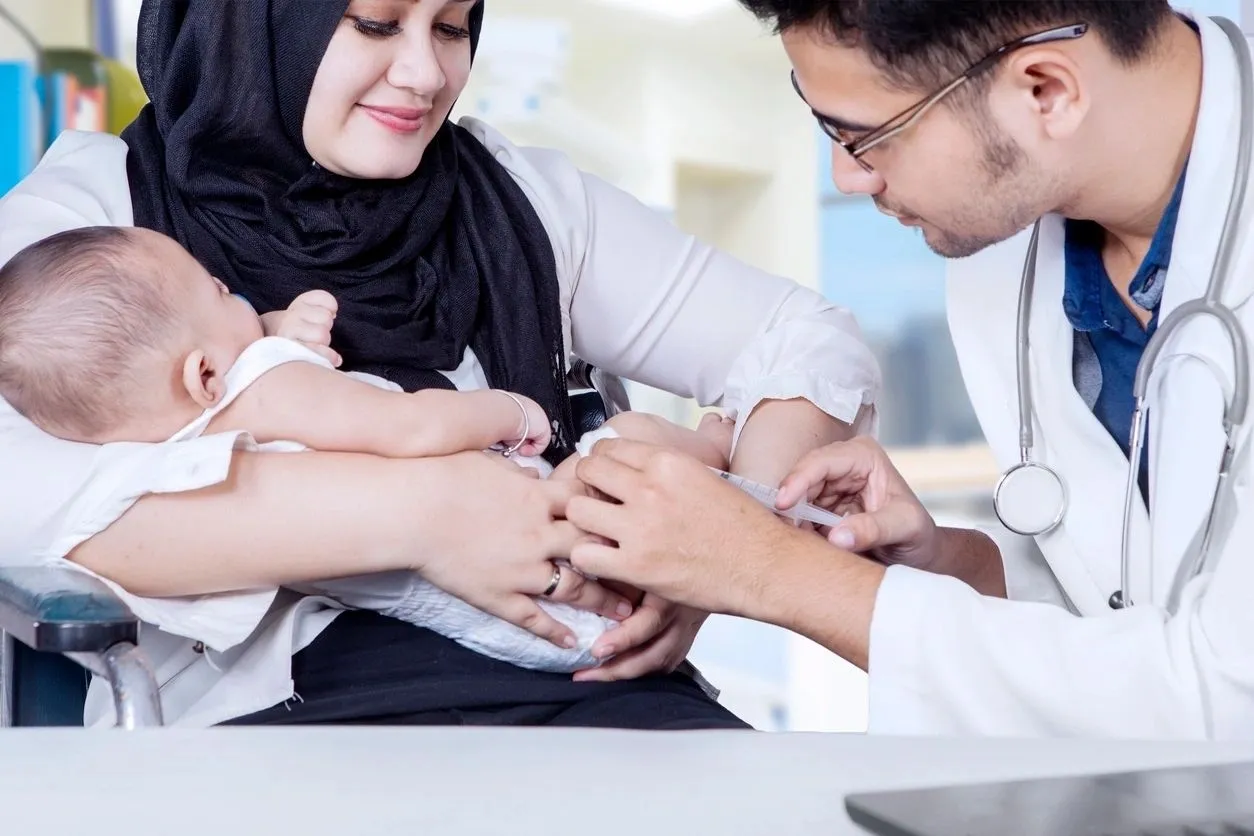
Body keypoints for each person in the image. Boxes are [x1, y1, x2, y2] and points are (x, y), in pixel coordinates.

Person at [0, 0, 880, 728]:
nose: (426, 74)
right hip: (292, 717)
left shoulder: (520, 202)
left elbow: (803, 339)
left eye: (452, 27)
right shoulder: (99, 231)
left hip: (597, 689)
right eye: (375, 24)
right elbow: (19, 492)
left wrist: (728, 544)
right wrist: (426, 514)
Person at [568, 0, 1254, 739]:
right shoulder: (1010, 253)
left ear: (1045, 91)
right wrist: (949, 568)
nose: (848, 176)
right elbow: (1120, 623)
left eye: (866, 138)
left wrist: (769, 569)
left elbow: (1226, 692)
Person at [0, 225, 738, 673]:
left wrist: (285, 328)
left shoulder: (184, 442)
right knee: (628, 445)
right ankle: (720, 459)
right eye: (220, 289)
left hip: (518, 631)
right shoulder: (270, 386)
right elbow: (408, 428)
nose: (240, 300)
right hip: (546, 573)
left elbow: (261, 399)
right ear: (203, 374)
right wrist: (508, 410)